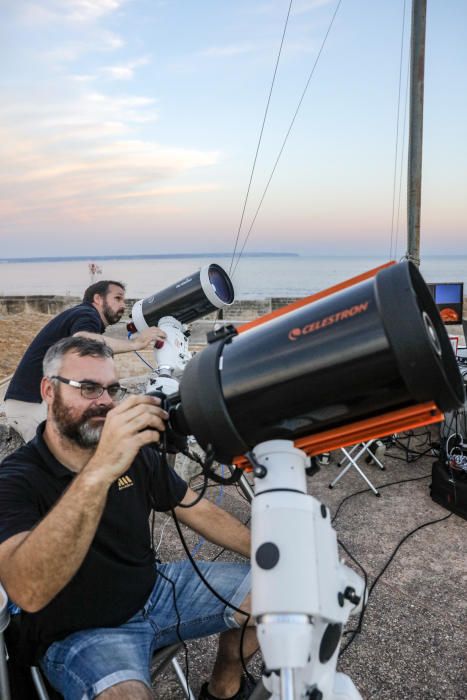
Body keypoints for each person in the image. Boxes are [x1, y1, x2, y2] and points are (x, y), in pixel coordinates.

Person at [0, 336, 256, 700]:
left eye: (111, 389)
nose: (104, 401)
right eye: (88, 388)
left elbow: (193, 507)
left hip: (156, 591)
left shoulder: (135, 455)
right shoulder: (16, 478)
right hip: (84, 633)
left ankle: (223, 690)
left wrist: (265, 552)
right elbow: (27, 591)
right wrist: (101, 467)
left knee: (284, 591)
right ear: (48, 390)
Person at [4, 280, 165, 442]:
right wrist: (136, 344)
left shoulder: (80, 315)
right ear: (98, 299)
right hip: (33, 405)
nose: (123, 305)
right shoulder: (86, 314)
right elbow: (82, 338)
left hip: (33, 403)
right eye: (117, 298)